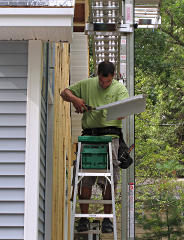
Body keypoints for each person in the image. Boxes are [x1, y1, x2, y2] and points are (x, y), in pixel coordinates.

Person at [60, 61, 129, 233]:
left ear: (113, 76)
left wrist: (122, 113)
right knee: (84, 180)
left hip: (110, 138)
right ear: (97, 74)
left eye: (108, 82)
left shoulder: (120, 89)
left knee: (110, 180)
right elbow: (64, 92)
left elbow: (125, 109)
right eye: (101, 81)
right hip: (89, 137)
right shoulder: (87, 84)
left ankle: (107, 220)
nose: (104, 84)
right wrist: (75, 99)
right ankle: (83, 219)